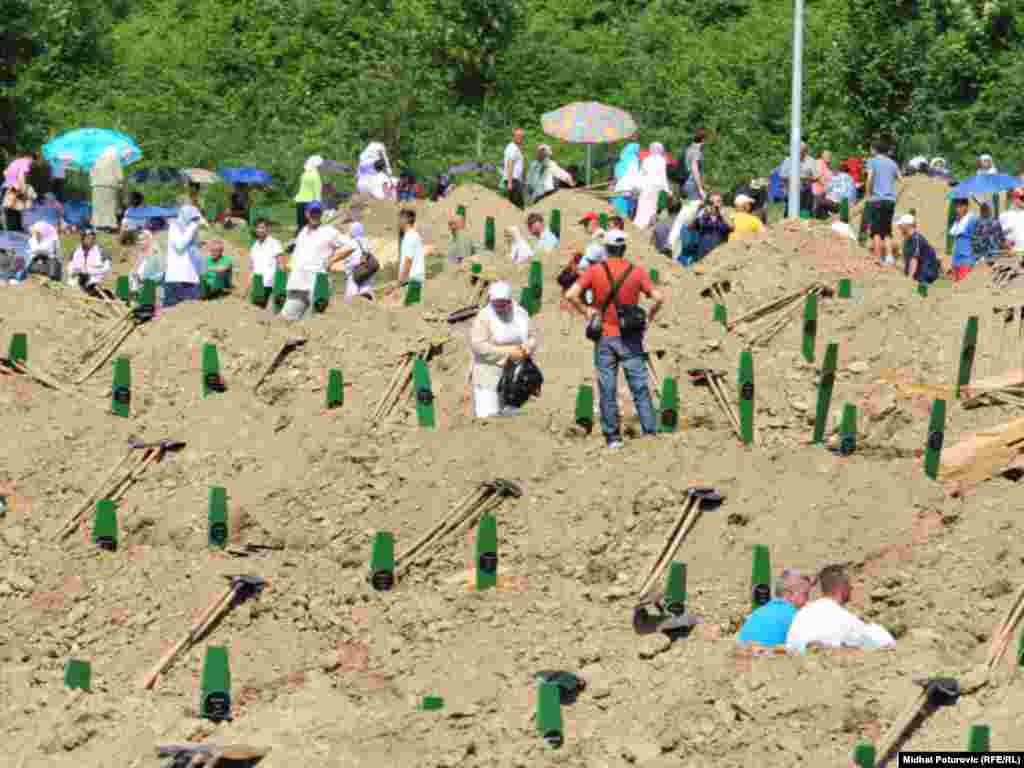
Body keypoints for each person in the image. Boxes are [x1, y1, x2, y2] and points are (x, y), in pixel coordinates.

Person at [564, 229, 665, 449]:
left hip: (605, 337)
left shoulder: (595, 271)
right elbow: (659, 297)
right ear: (624, 248)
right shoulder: (637, 272)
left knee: (607, 388)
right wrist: (648, 317)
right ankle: (650, 433)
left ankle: (613, 437)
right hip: (630, 338)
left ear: (605, 249)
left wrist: (587, 311)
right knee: (639, 386)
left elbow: (570, 294)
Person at [786, 565, 896, 652]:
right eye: (849, 584)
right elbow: (884, 642)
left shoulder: (802, 614)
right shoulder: (841, 617)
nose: (852, 587)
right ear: (842, 587)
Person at [469, 281, 539, 418]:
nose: (500, 307)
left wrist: (525, 350)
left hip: (515, 377)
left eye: (504, 303)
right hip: (489, 374)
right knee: (489, 418)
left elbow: (532, 338)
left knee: (511, 420)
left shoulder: (520, 314)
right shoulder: (484, 317)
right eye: (496, 303)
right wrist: (508, 352)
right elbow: (478, 345)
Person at [283, 201, 341, 320]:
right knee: (286, 318)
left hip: (318, 282)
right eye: (312, 212)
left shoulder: (329, 231)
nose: (315, 215)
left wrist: (332, 260)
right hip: (298, 283)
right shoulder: (303, 232)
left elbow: (350, 246)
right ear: (306, 214)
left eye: (318, 212)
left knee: (316, 320)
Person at [737, 569, 813, 648]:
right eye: (805, 594)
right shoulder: (796, 617)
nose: (807, 600)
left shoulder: (756, 614)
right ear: (788, 594)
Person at [865, 143, 902, 265]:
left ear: (875, 150)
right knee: (886, 230)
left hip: (876, 200)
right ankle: (890, 256)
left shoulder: (872, 161)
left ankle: (877, 257)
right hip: (890, 201)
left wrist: (868, 193)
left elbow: (870, 178)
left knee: (876, 231)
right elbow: (901, 179)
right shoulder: (892, 163)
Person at [163, 205, 205, 308]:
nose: (194, 221)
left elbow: (194, 253)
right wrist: (193, 226)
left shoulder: (191, 231)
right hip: (176, 279)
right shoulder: (174, 227)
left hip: (191, 279)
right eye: (193, 219)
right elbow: (180, 245)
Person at [330, 221, 376, 302]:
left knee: (351, 299)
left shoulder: (351, 242)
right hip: (368, 271)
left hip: (355, 273)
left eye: (350, 229)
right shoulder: (366, 241)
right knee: (366, 292)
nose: (349, 231)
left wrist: (331, 261)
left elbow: (339, 245)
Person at [634, 143, 670, 229]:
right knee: (652, 205)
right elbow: (663, 175)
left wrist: (637, 185)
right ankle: (647, 224)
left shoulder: (646, 159)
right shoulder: (661, 160)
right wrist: (667, 189)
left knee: (642, 204)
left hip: (645, 185)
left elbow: (641, 174)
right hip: (655, 186)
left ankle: (638, 224)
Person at [896, 214, 939, 285]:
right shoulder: (909, 239)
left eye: (901, 225)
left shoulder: (916, 239)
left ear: (908, 225)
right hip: (919, 274)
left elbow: (914, 259)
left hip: (925, 275)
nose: (899, 227)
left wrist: (909, 279)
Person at [90, 146, 124, 231]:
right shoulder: (115, 155)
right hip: (110, 184)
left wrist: (93, 181)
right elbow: (118, 171)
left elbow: (91, 171)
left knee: (98, 206)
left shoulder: (95, 155)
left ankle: (97, 225)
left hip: (96, 184)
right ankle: (110, 226)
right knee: (110, 206)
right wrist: (120, 183)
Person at [67, 228, 111, 293]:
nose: (91, 240)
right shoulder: (75, 251)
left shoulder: (101, 251)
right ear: (82, 239)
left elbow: (107, 268)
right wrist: (74, 272)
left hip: (94, 281)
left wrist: (90, 272)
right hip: (76, 281)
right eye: (88, 238)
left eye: (93, 238)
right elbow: (70, 267)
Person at [779, 142, 818, 215]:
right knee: (789, 213)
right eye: (798, 151)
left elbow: (816, 177)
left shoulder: (811, 161)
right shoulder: (788, 160)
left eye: (802, 151)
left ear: (806, 151)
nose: (799, 153)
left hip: (806, 192)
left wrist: (807, 179)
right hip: (791, 191)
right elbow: (782, 175)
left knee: (805, 212)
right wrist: (792, 178)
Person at [249, 217, 285, 292]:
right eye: (258, 228)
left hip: (270, 285)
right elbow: (252, 267)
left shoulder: (274, 243)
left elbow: (281, 264)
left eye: (262, 228)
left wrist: (281, 286)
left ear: (268, 229)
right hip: (257, 284)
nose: (260, 230)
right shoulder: (254, 246)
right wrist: (249, 283)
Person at [694, 193, 734, 259]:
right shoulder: (703, 213)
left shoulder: (726, 213)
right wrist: (700, 212)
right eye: (713, 202)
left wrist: (722, 214)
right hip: (703, 252)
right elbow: (691, 227)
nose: (716, 204)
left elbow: (732, 227)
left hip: (720, 253)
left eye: (719, 201)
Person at [294, 155, 323, 236]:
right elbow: (317, 193)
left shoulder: (304, 174)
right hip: (309, 204)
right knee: (311, 226)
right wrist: (319, 207)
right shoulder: (316, 176)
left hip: (300, 202)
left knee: (301, 226)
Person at [949, 198, 977, 282]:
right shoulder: (958, 220)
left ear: (966, 206)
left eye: (960, 206)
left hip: (966, 259)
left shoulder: (972, 219)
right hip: (956, 259)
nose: (958, 209)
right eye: (956, 207)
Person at [611, 143, 642, 218]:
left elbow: (617, 176)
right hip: (631, 188)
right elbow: (635, 174)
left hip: (620, 188)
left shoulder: (622, 160)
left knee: (618, 205)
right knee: (629, 206)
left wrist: (613, 184)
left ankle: (619, 218)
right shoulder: (635, 159)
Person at [398, 208, 426, 286]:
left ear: (405, 220)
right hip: (413, 279)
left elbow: (408, 260)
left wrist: (401, 280)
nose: (398, 222)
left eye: (400, 219)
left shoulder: (410, 236)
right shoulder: (413, 235)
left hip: (411, 280)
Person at [503, 128, 526, 209]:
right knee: (518, 207)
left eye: (522, 136)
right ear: (513, 137)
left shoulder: (515, 148)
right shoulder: (512, 148)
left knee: (517, 206)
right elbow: (510, 164)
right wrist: (510, 183)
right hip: (513, 181)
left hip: (515, 181)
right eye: (518, 136)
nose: (520, 138)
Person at [999, 188, 1024, 255]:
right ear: (1014, 199)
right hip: (1014, 254)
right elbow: (1001, 236)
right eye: (1022, 198)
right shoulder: (1004, 216)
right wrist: (1007, 246)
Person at [683, 129, 706, 201]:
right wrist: (700, 189)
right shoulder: (697, 151)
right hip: (693, 184)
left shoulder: (689, 149)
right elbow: (695, 170)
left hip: (687, 182)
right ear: (703, 140)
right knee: (696, 208)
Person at [812, 151, 834, 218]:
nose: (829, 157)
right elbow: (817, 177)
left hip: (825, 193)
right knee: (818, 213)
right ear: (822, 156)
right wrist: (826, 186)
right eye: (827, 156)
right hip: (818, 192)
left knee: (823, 214)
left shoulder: (828, 166)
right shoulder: (819, 162)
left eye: (830, 156)